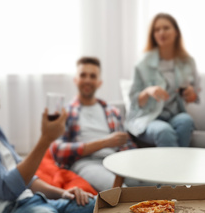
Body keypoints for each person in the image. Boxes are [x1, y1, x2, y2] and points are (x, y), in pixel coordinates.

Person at [0, 61, 95, 213]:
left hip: (36, 200)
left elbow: (26, 178)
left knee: (99, 208)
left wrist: (63, 193)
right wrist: (45, 139)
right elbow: (7, 188)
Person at [50, 57, 140, 192]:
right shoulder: (66, 112)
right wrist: (104, 143)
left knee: (154, 182)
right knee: (121, 192)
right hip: (87, 163)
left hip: (117, 161)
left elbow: (127, 145)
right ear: (76, 80)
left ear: (99, 83)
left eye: (92, 76)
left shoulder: (112, 111)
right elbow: (58, 150)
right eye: (83, 75)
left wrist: (141, 163)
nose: (87, 80)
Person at [126, 13, 200, 147]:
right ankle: (179, 167)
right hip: (148, 117)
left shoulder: (188, 62)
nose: (161, 32)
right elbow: (134, 100)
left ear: (176, 32)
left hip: (174, 115)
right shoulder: (143, 63)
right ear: (153, 34)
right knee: (164, 131)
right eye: (157, 29)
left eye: (166, 28)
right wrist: (148, 91)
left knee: (186, 121)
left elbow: (195, 96)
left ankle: (174, 166)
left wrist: (191, 93)